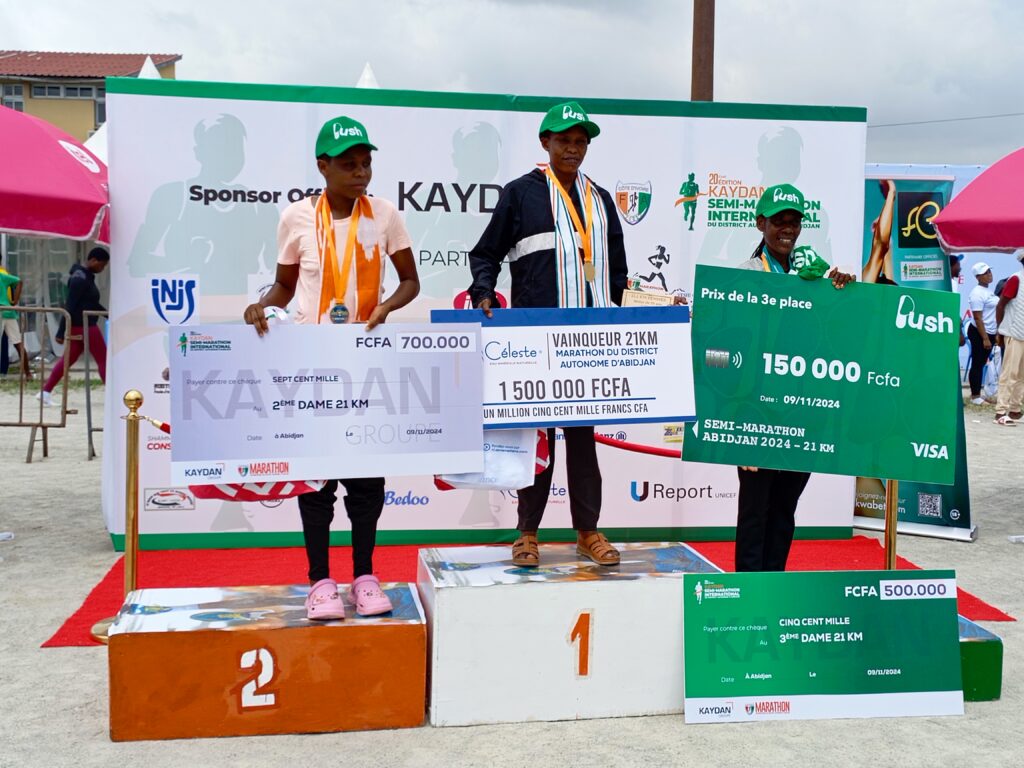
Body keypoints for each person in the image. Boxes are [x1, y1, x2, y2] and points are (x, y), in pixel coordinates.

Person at [242, 116, 419, 620]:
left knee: (365, 480)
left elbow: (410, 281)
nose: (361, 173)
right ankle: (320, 581)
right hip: (310, 364)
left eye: (366, 164)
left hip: (364, 361)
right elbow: (284, 286)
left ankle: (365, 576)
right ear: (323, 166)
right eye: (348, 165)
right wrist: (260, 307)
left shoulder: (384, 214)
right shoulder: (297, 217)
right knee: (316, 481)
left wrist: (385, 307)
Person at [469, 101, 627, 568]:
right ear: (546, 142)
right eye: (564, 141)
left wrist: (631, 315)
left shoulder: (601, 200)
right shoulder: (520, 194)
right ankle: (527, 533)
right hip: (536, 340)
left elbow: (617, 271)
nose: (573, 149)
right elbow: (486, 254)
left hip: (590, 343)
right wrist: (484, 292)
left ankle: (588, 532)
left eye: (580, 142)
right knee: (537, 439)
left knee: (583, 440)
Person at [734, 184, 855, 572]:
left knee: (785, 509)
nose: (788, 228)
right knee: (755, 511)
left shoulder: (815, 275)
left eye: (794, 221)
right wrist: (739, 424)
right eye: (779, 220)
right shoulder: (745, 276)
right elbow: (732, 353)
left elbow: (834, 336)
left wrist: (841, 293)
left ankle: (775, 587)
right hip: (757, 412)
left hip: (801, 412)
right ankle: (748, 592)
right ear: (761, 224)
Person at [37, 247, 109, 405]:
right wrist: (61, 332)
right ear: (93, 260)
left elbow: (91, 303)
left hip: (79, 325)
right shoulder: (79, 279)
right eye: (102, 265)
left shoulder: (86, 276)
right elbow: (69, 305)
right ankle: (111, 395)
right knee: (103, 359)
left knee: (67, 360)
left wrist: (108, 315)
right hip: (84, 325)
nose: (102, 269)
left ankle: (45, 392)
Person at [993, 249, 1024, 425]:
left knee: (1021, 375)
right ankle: (1000, 411)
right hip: (1013, 332)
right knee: (1009, 373)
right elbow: (1000, 306)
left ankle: (1015, 410)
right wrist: (999, 331)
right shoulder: (1016, 279)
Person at [966, 262, 999, 405]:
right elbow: (978, 318)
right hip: (979, 332)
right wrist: (985, 338)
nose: (989, 275)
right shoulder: (977, 293)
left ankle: (979, 394)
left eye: (989, 271)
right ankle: (975, 396)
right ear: (978, 277)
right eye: (985, 273)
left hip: (990, 332)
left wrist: (995, 334)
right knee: (977, 363)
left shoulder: (988, 291)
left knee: (981, 362)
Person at [0, 256, 32, 380]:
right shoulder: (3, 275)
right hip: (8, 310)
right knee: (18, 343)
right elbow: (19, 281)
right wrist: (15, 301)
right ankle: (28, 374)